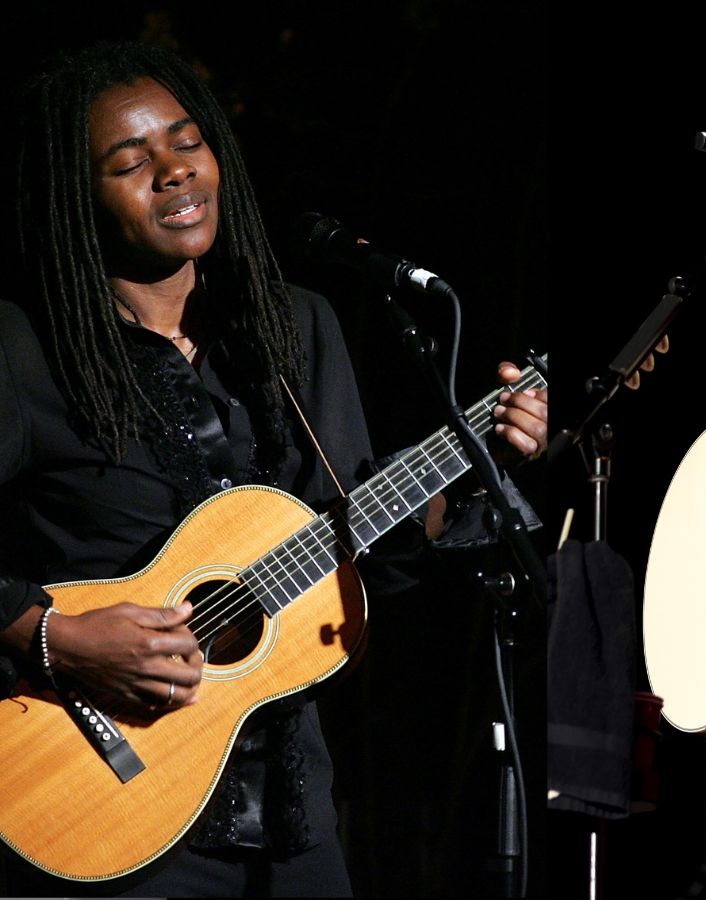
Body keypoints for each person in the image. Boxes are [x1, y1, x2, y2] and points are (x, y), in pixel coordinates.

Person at [0, 40, 546, 897]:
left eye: (187, 143)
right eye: (131, 162)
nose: (175, 173)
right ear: (77, 196)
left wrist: (469, 468)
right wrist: (55, 636)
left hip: (294, 822)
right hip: (98, 797)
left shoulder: (294, 330)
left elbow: (362, 551)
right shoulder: (27, 347)